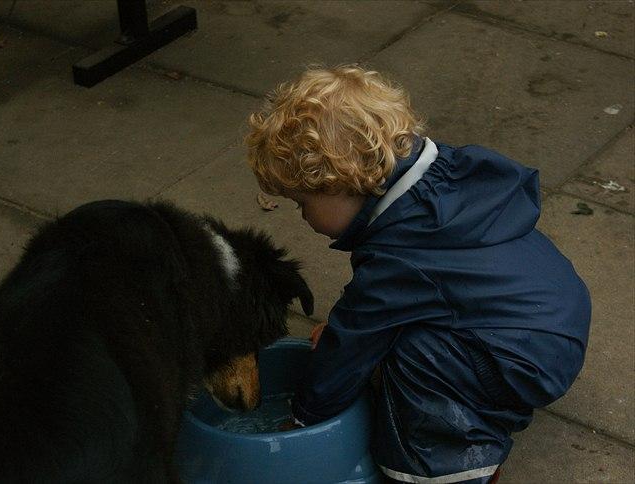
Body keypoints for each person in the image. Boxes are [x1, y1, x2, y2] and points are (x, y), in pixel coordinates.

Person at [245, 65, 591, 484]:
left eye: (303, 204)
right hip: (549, 324)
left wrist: (305, 418)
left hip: (518, 362)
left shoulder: (401, 253)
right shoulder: (439, 185)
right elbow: (387, 302)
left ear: (340, 185)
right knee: (391, 326)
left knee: (415, 359)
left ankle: (454, 469)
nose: (302, 218)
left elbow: (355, 337)